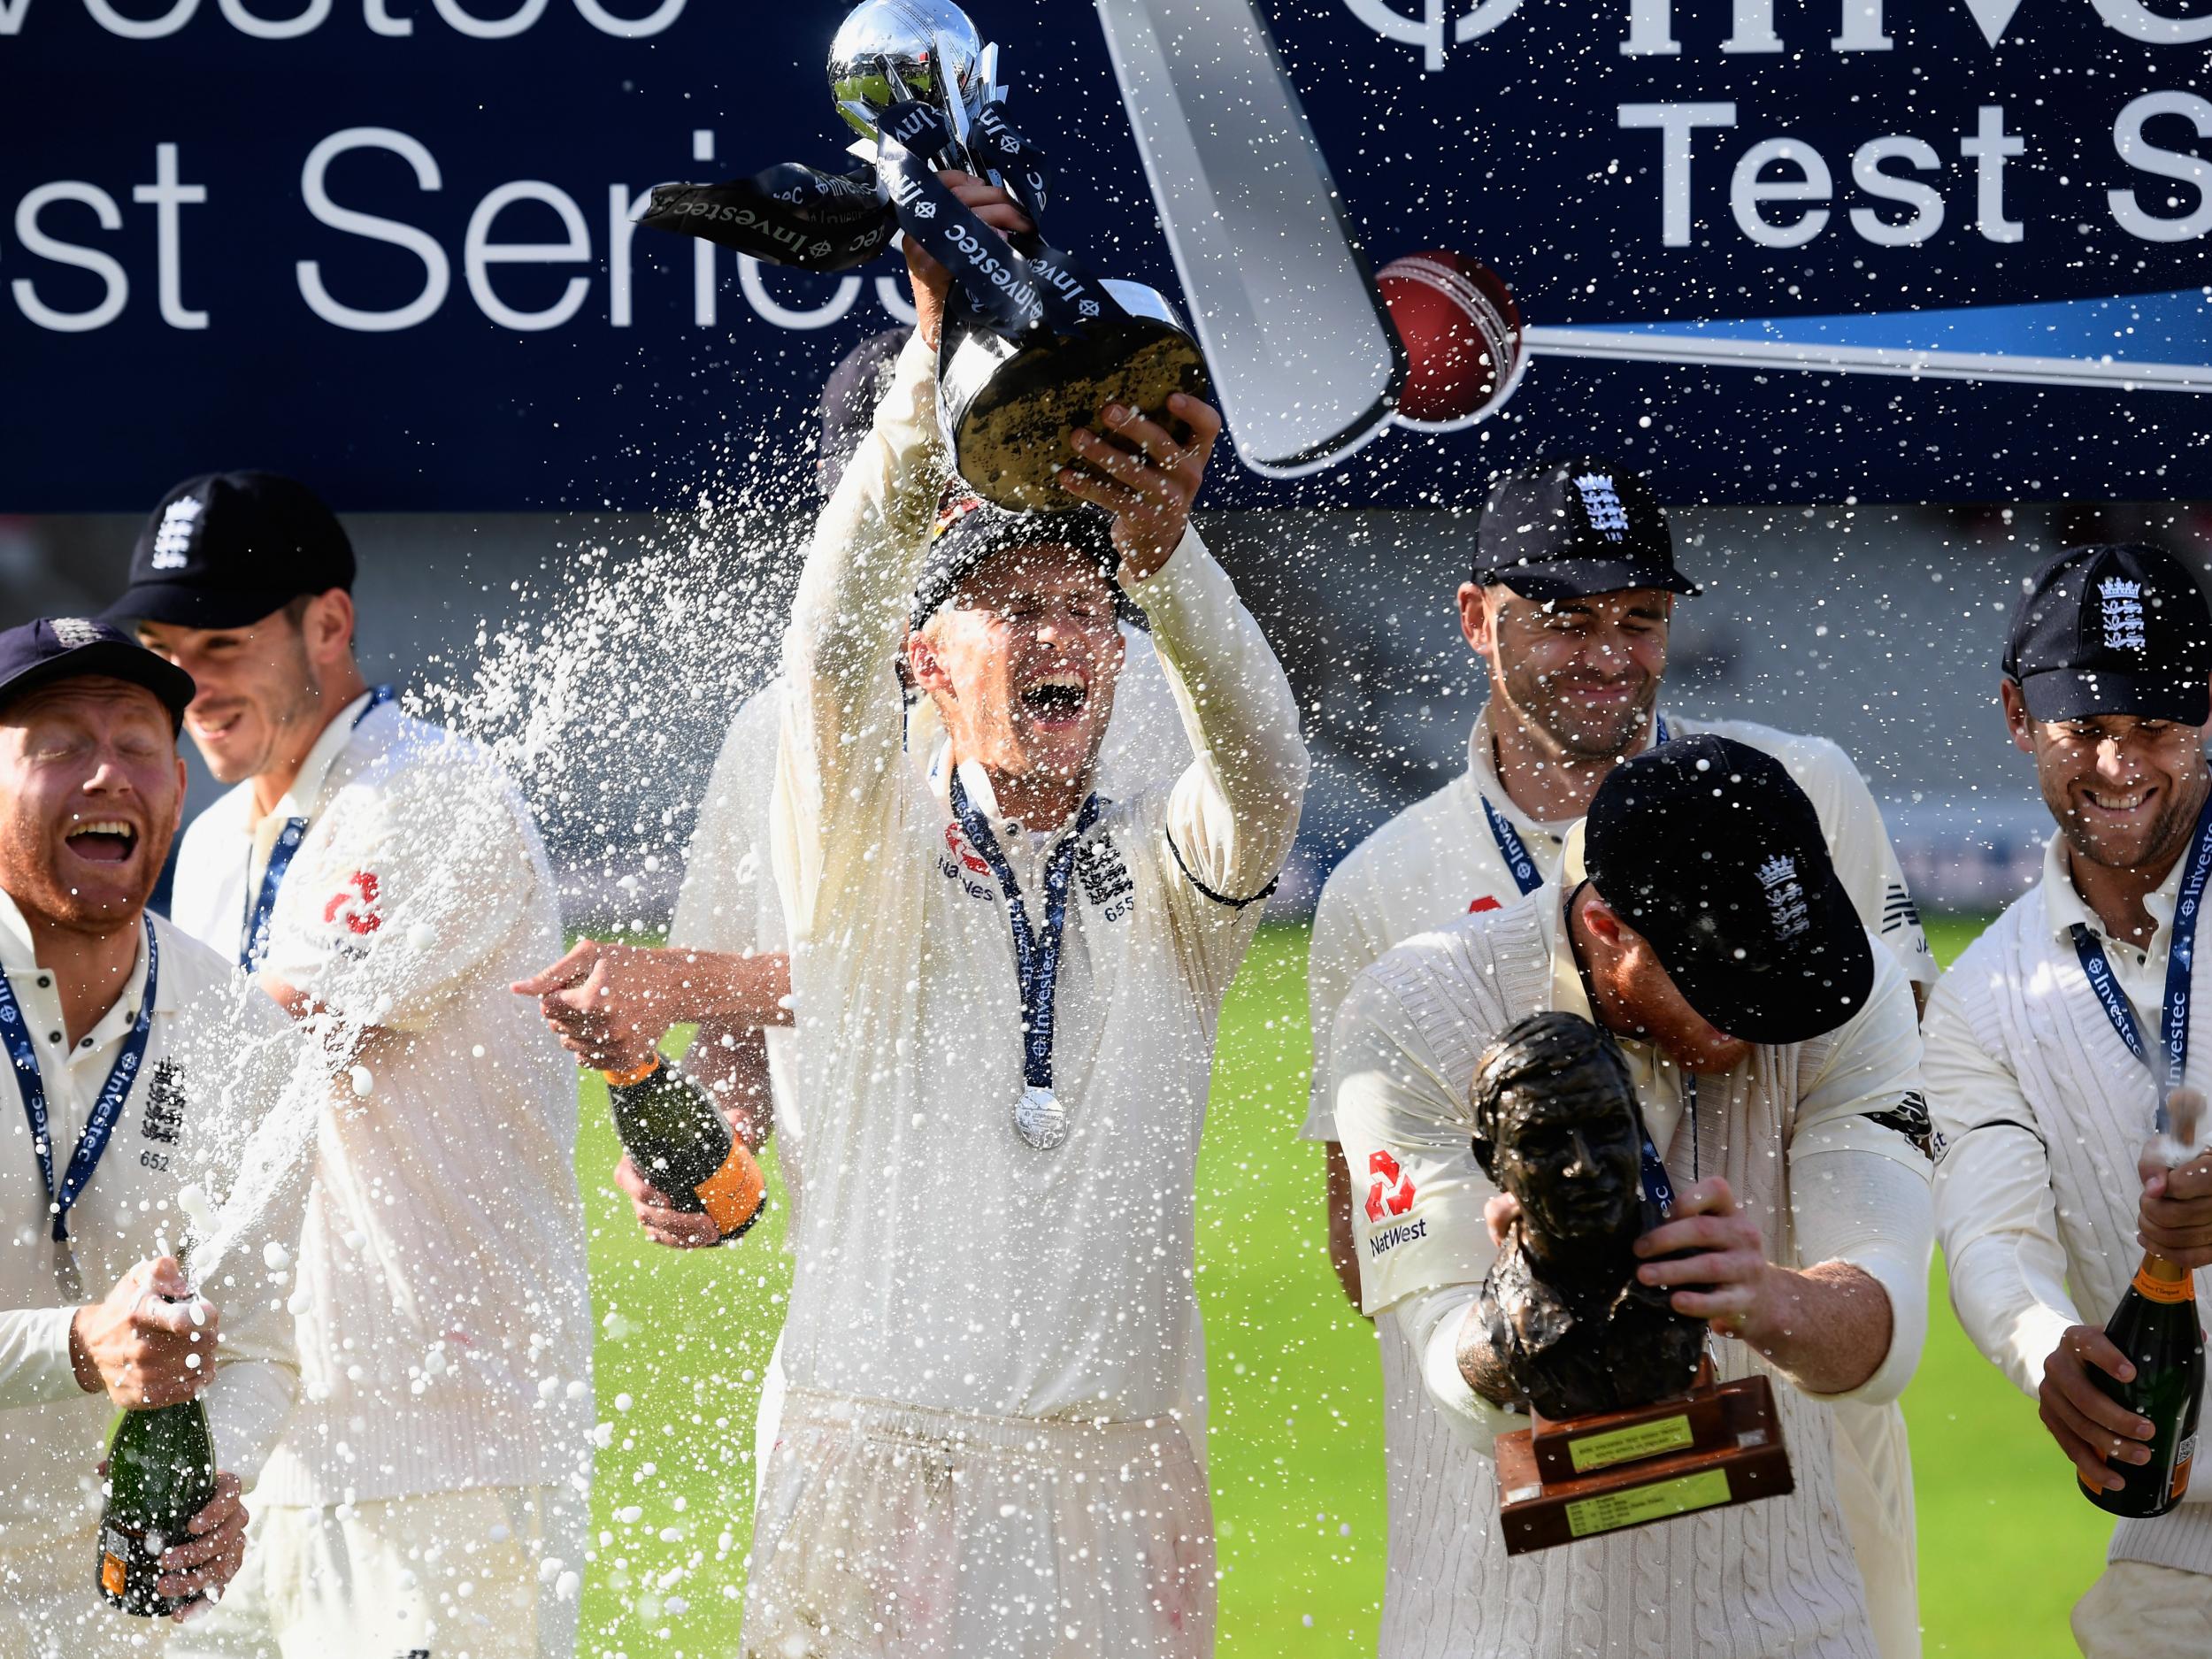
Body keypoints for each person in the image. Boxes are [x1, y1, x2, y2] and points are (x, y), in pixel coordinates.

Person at [708, 167, 1304, 1655]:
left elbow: (1270, 767)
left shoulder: (1174, 877)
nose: (1062, 637)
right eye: (1015, 607)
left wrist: (1167, 562)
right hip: (876, 1456)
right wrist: (925, 371)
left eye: (1084, 607)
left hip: (1112, 1466)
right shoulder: (853, 838)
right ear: (930, 664)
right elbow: (828, 634)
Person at [1302, 457, 1935, 1659]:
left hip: (1789, 1546)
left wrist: (1772, 1294)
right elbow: (1373, 1253)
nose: (1608, 654)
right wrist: (1542, 1290)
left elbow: (1890, 1235)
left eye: (1639, 619)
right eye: (1566, 619)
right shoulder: (1390, 909)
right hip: (1505, 1574)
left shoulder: (1805, 800)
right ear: (1477, 616)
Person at [110, 473, 595, 1659]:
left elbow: (260, 1041)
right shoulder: (219, 834)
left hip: (438, 1447)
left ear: (328, 625)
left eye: (220, 644)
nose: (188, 685)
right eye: (164, 651)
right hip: (261, 1431)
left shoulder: (431, 791)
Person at [1924, 542, 2212, 1657]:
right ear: (2014, 711)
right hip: (2181, 1536)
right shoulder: (1982, 998)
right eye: (2083, 725)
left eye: (2152, 726)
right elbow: (1990, 1231)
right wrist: (2042, 1343)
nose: (2117, 763)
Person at [0, 618, 305, 1657]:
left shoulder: (239, 1032)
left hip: (109, 1613)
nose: (106, 774)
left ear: (177, 789)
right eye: (57, 746)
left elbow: (263, 1343)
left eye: (136, 743)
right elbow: (92, 1346)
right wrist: (76, 1347)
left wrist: (219, 1474)